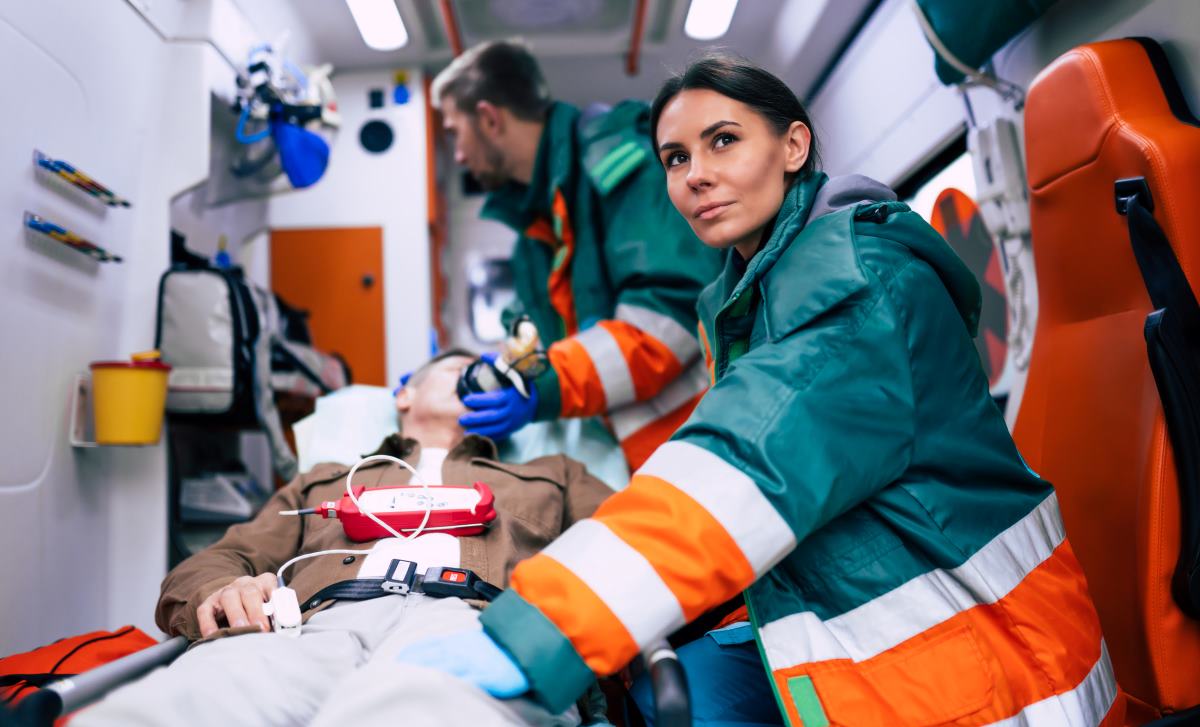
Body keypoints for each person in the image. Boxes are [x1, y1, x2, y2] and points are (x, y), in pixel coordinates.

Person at [396, 55, 1123, 726]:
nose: (695, 176)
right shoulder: (746, 295)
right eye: (676, 158)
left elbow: (746, 460)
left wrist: (540, 631)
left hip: (998, 656)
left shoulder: (861, 284)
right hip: (879, 602)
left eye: (723, 141)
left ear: (794, 146)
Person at [71, 350, 611, 727]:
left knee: (429, 710)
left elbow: (621, 544)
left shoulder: (553, 473)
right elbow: (218, 560)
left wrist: (547, 633)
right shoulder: (327, 480)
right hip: (312, 629)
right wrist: (221, 591)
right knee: (182, 705)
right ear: (404, 393)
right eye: (458, 369)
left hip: (477, 625)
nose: (478, 380)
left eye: (489, 376)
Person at [432, 40, 723, 470]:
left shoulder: (621, 161)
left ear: (489, 119)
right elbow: (530, 340)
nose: (457, 155)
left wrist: (544, 389)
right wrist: (459, 374)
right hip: (626, 457)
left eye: (455, 132)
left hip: (692, 444)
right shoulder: (533, 233)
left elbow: (663, 325)